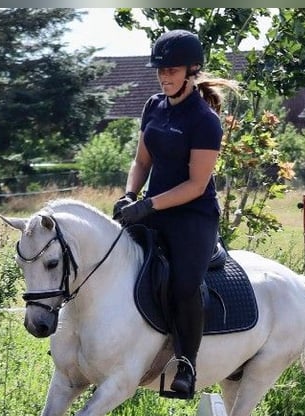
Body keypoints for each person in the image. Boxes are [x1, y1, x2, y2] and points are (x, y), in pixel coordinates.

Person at [113, 29, 238, 397]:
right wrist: (129, 194)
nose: (165, 77)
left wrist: (147, 205)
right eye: (161, 71)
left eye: (172, 70)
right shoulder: (153, 106)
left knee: (184, 285)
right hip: (150, 208)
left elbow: (196, 185)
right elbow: (141, 160)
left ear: (192, 70)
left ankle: (186, 365)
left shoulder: (204, 120)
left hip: (192, 216)